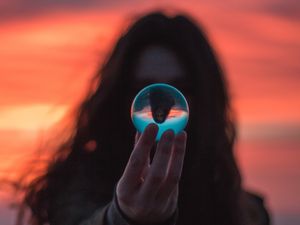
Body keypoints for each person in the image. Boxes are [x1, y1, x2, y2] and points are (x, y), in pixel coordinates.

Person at [20, 11, 271, 225]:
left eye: (180, 87)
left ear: (205, 98)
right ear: (119, 96)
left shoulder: (247, 212)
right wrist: (123, 215)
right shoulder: (76, 186)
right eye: (145, 88)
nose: (160, 104)